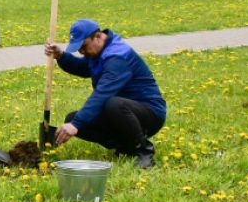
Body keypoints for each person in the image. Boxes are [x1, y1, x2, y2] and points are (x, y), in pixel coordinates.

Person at [45, 19, 165, 169]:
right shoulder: (98, 52)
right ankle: (125, 146)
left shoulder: (117, 57)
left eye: (83, 47)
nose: (81, 52)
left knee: (111, 104)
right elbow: (83, 68)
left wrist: (76, 125)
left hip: (150, 113)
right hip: (123, 112)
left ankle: (144, 151)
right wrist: (61, 55)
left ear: (98, 37)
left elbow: (102, 94)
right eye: (79, 49)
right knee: (73, 118)